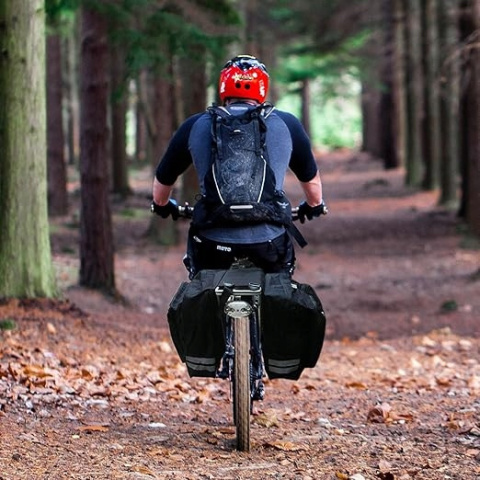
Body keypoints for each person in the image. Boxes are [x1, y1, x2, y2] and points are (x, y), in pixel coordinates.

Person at [151, 54, 326, 278]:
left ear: (224, 87)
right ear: (263, 88)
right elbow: (312, 183)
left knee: (203, 292)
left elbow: (163, 182)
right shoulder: (287, 123)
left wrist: (163, 205)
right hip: (269, 244)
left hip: (212, 244)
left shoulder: (195, 124)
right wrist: (313, 205)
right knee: (279, 295)